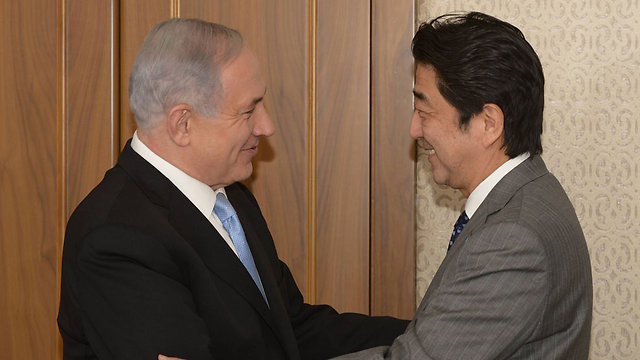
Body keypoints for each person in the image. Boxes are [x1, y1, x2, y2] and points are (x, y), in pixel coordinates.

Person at [57, 18, 408, 360]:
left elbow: (290, 330)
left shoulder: (230, 197)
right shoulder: (116, 239)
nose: (267, 125)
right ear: (183, 124)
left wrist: (432, 334)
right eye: (247, 111)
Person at [334, 12, 592, 360]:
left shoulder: (513, 241)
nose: (414, 129)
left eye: (424, 113)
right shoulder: (530, 195)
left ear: (488, 123)